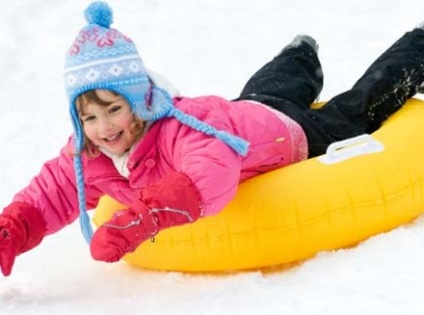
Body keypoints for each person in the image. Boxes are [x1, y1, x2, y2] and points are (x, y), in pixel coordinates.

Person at [0, 1, 423, 277]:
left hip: (291, 137)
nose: (105, 128)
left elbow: (211, 174)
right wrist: (12, 229)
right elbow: (50, 193)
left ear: (141, 103)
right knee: (271, 89)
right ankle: (300, 53)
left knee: (357, 107)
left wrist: (146, 216)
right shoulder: (90, 153)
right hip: (250, 112)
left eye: (114, 110)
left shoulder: (177, 130)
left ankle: (416, 45)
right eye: (90, 117)